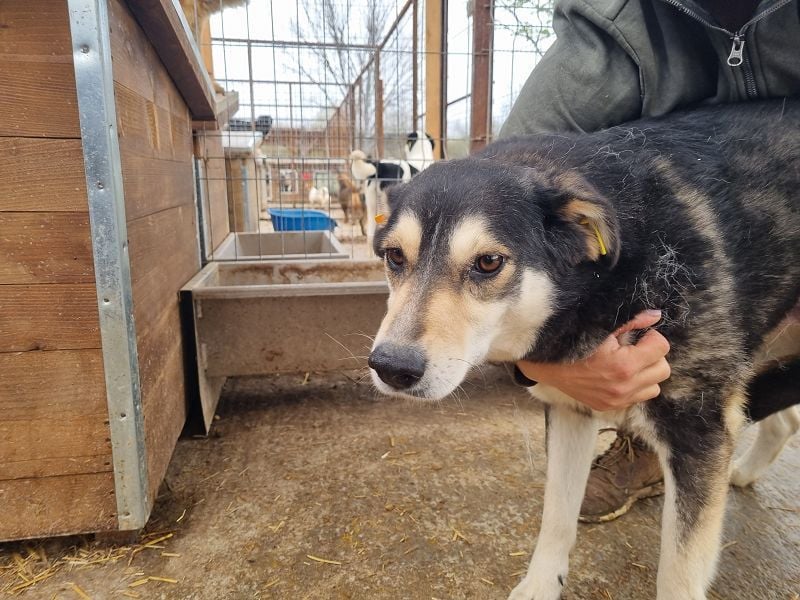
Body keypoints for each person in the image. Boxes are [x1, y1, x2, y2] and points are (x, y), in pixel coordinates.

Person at [500, 0, 800, 523]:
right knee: (679, 382)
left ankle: (684, 419)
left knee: (696, 400)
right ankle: (654, 431)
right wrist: (535, 366)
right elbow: (498, 208)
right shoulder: (610, 32)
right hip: (694, 218)